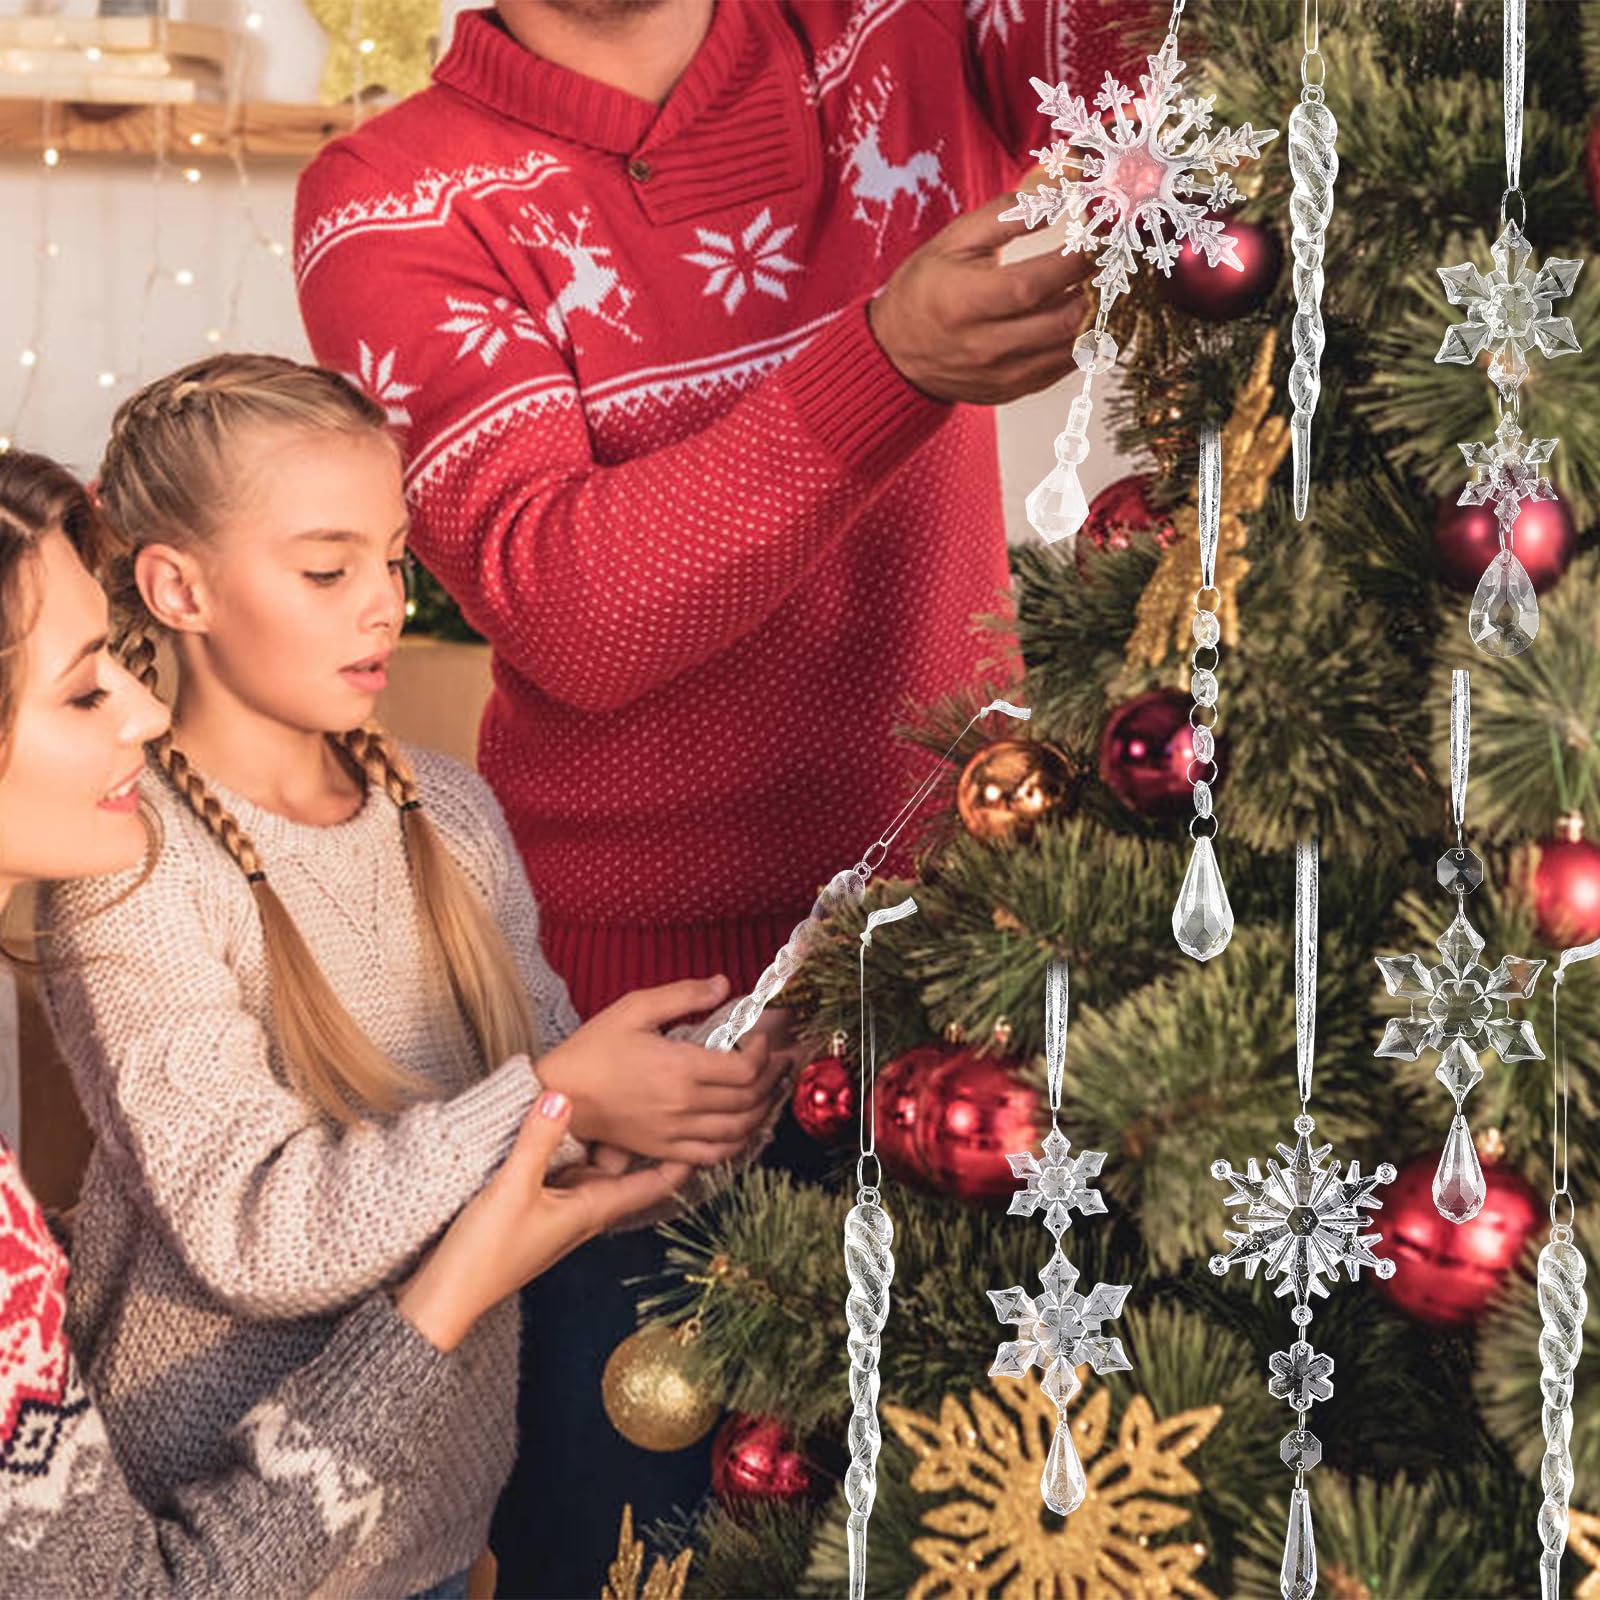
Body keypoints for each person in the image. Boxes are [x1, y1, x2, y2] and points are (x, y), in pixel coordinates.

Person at [292, 1, 1139, 1585]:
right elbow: (576, 603)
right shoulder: (394, 195)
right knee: (633, 1549)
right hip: (644, 1062)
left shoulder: (904, 29)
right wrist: (881, 359)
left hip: (984, 974)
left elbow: (1182, 68)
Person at [37, 355, 784, 1598]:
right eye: (327, 570)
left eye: (393, 560)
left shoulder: (451, 811)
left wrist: (684, 1109)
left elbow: (542, 1165)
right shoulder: (128, 861)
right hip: (221, 1539)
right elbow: (257, 1235)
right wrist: (557, 1094)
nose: (381, 604)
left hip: (437, 1526)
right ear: (177, 587)